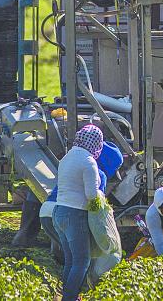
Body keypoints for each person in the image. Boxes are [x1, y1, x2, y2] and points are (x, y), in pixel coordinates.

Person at [40, 140, 123, 264]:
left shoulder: (77, 165)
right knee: (83, 259)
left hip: (47, 212)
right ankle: (84, 282)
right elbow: (95, 207)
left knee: (70, 257)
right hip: (68, 214)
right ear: (110, 163)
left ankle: (63, 279)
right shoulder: (98, 173)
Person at [53, 124, 104, 301]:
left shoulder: (67, 158)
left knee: (70, 260)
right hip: (75, 214)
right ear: (96, 143)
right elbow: (91, 194)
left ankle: (64, 295)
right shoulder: (88, 161)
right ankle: (70, 298)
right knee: (82, 261)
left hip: (58, 212)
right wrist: (100, 194)